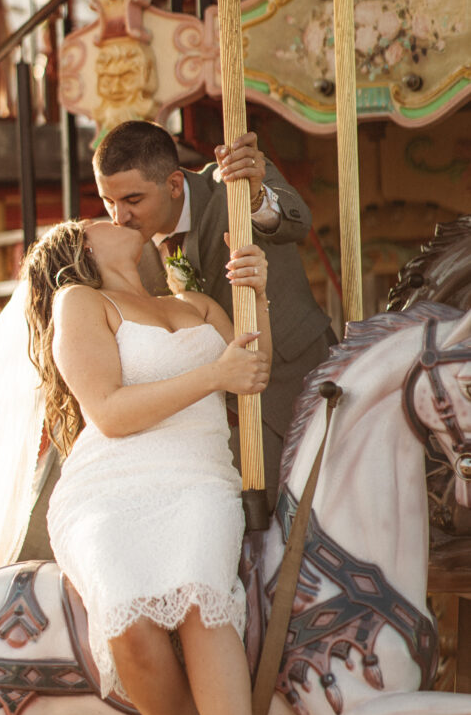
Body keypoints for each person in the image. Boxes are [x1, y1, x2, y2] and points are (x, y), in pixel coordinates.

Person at [24, 217, 277, 715]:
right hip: (108, 487)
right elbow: (107, 412)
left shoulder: (194, 303)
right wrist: (212, 375)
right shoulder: (82, 302)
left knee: (200, 597)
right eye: (98, 216)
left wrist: (260, 293)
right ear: (81, 248)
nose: (117, 216)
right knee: (129, 621)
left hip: (197, 479)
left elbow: (252, 373)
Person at [92, 119, 335, 512]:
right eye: (108, 202)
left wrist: (256, 199)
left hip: (299, 377)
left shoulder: (233, 183)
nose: (119, 217)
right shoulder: (125, 252)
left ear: (173, 184)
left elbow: (294, 222)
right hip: (218, 414)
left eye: (132, 200)